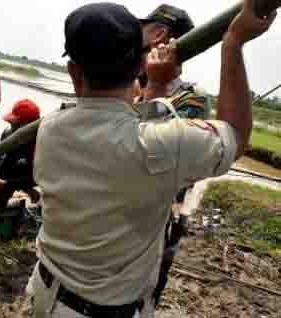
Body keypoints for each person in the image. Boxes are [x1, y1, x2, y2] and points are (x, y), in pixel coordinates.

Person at [26, 1, 276, 317]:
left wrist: (155, 87)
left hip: (46, 292)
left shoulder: (51, 128)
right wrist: (233, 44)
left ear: (74, 72)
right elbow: (231, 137)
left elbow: (130, 141)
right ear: (139, 65)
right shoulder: (158, 139)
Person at [137, 4, 209, 307]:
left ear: (159, 35)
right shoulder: (129, 85)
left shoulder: (190, 98)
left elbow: (163, 160)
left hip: (156, 219)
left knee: (140, 294)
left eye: (143, 27)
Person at [0, 99, 40, 208]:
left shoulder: (42, 144)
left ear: (25, 124)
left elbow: (39, 177)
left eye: (13, 124)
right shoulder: (11, 135)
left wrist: (7, 184)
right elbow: (7, 161)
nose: (11, 127)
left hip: (43, 180)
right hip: (22, 174)